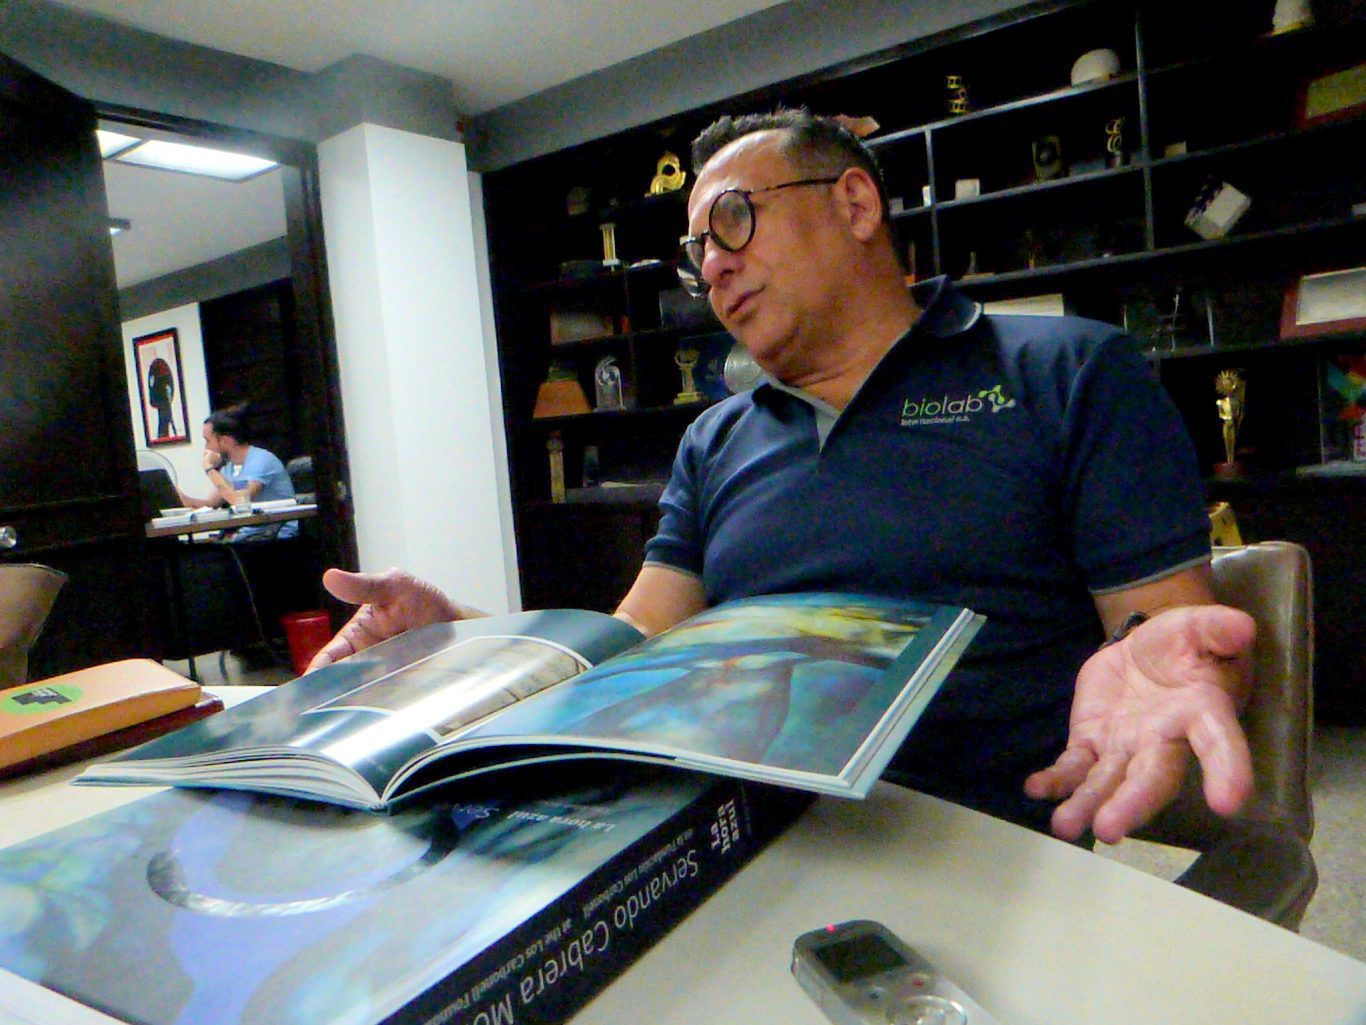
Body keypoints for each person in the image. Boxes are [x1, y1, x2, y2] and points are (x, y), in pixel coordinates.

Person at [308, 110, 1256, 846]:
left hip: (980, 837)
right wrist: (463, 639)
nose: (713, 267)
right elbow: (634, 641)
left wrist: (1177, 663)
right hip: (725, 829)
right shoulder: (715, 440)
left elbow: (1168, 637)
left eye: (732, 219)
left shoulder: (1065, 372)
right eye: (697, 253)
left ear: (854, 203)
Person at [179, 404, 298, 541]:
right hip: (252, 534)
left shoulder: (261, 460)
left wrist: (209, 468)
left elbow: (239, 501)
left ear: (225, 441)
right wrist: (181, 498)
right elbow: (210, 504)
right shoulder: (230, 467)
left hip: (278, 535)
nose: (207, 448)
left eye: (208, 441)